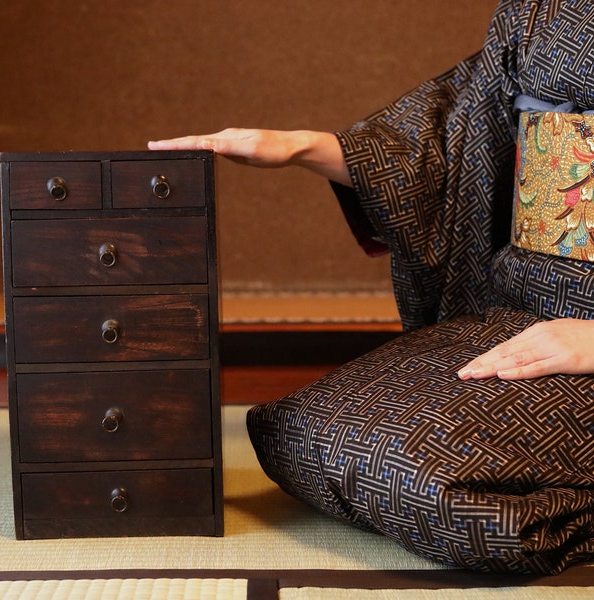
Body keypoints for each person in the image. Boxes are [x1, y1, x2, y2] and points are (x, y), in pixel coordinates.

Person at [149, 0, 594, 575]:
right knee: (294, 429)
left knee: (443, 490)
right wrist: (300, 148)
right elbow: (450, 146)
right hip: (524, 311)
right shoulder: (542, 13)